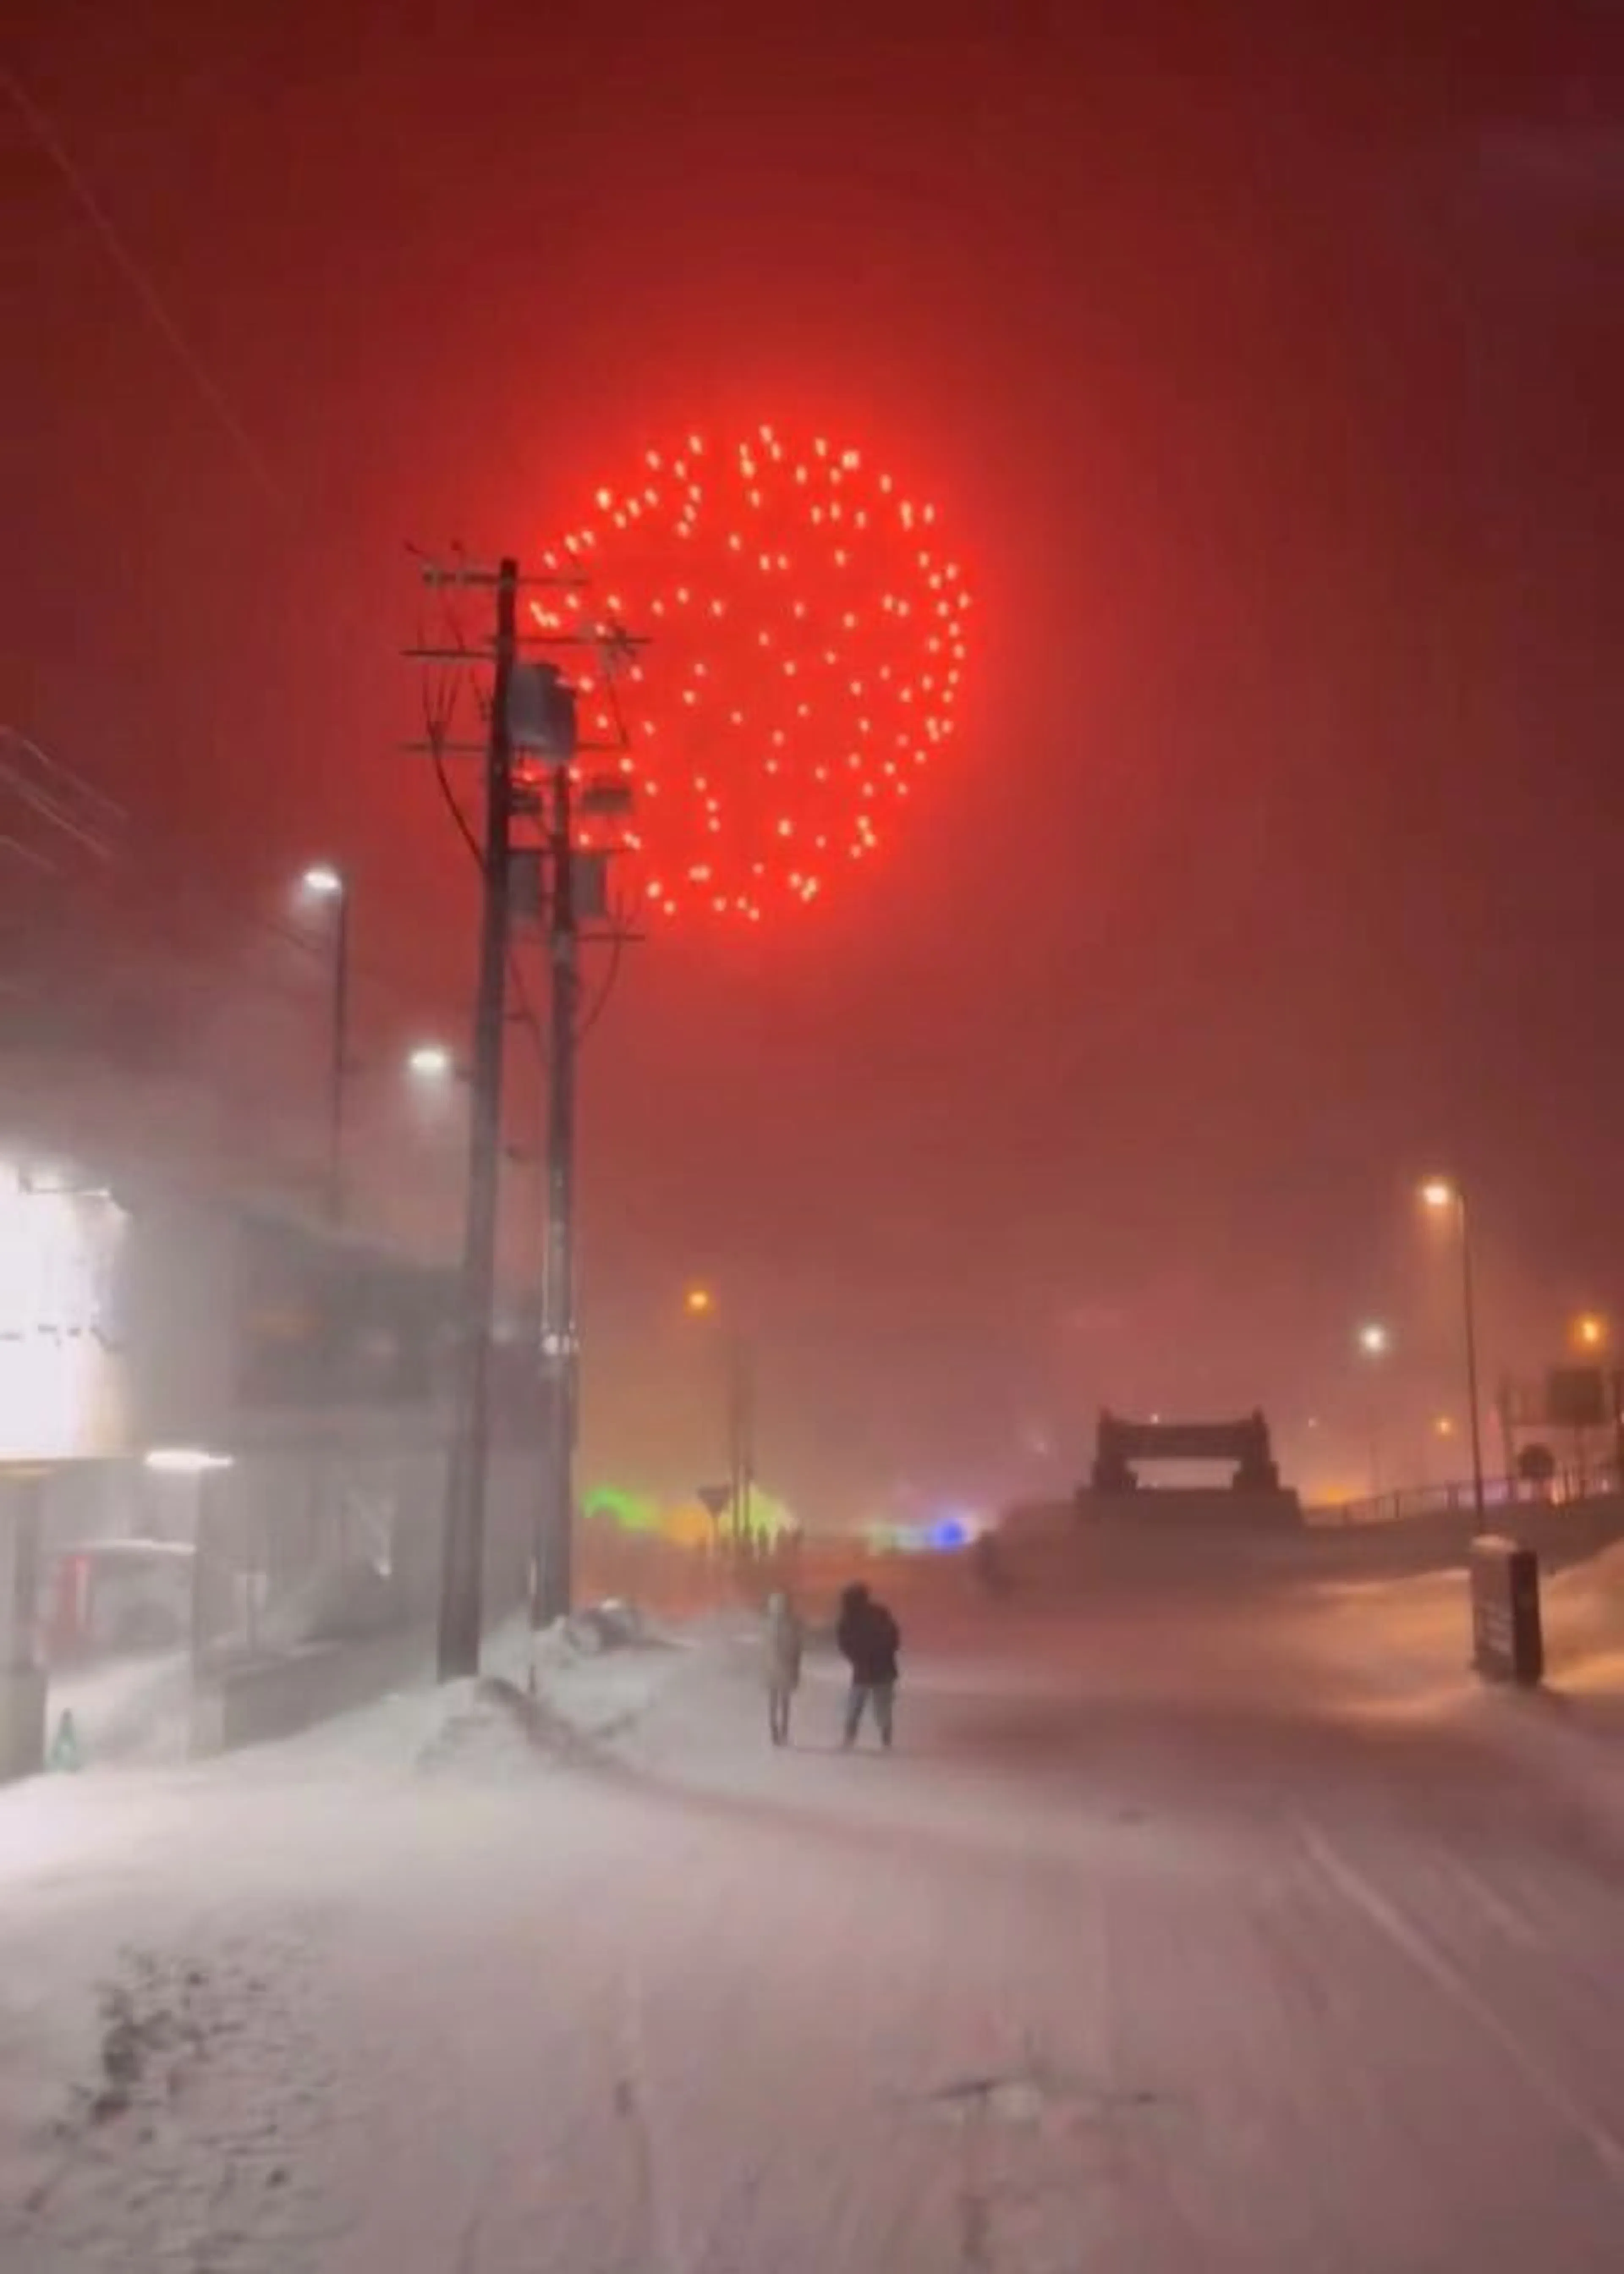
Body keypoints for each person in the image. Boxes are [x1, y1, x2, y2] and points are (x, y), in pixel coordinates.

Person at [836, 1581, 901, 1749]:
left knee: (855, 1707)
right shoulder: (880, 1613)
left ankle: (849, 1739)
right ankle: (886, 1740)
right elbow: (894, 1638)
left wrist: (857, 1658)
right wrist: (884, 1653)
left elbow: (844, 1644)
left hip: (864, 1670)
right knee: (882, 1708)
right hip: (883, 1669)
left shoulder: (848, 1619)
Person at [763, 1590, 804, 1747]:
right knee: (784, 1702)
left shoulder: (768, 1624)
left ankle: (776, 1732)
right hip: (784, 1667)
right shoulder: (792, 1624)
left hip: (773, 1668)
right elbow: (797, 1648)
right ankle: (782, 1732)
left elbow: (764, 1649)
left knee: (774, 1702)